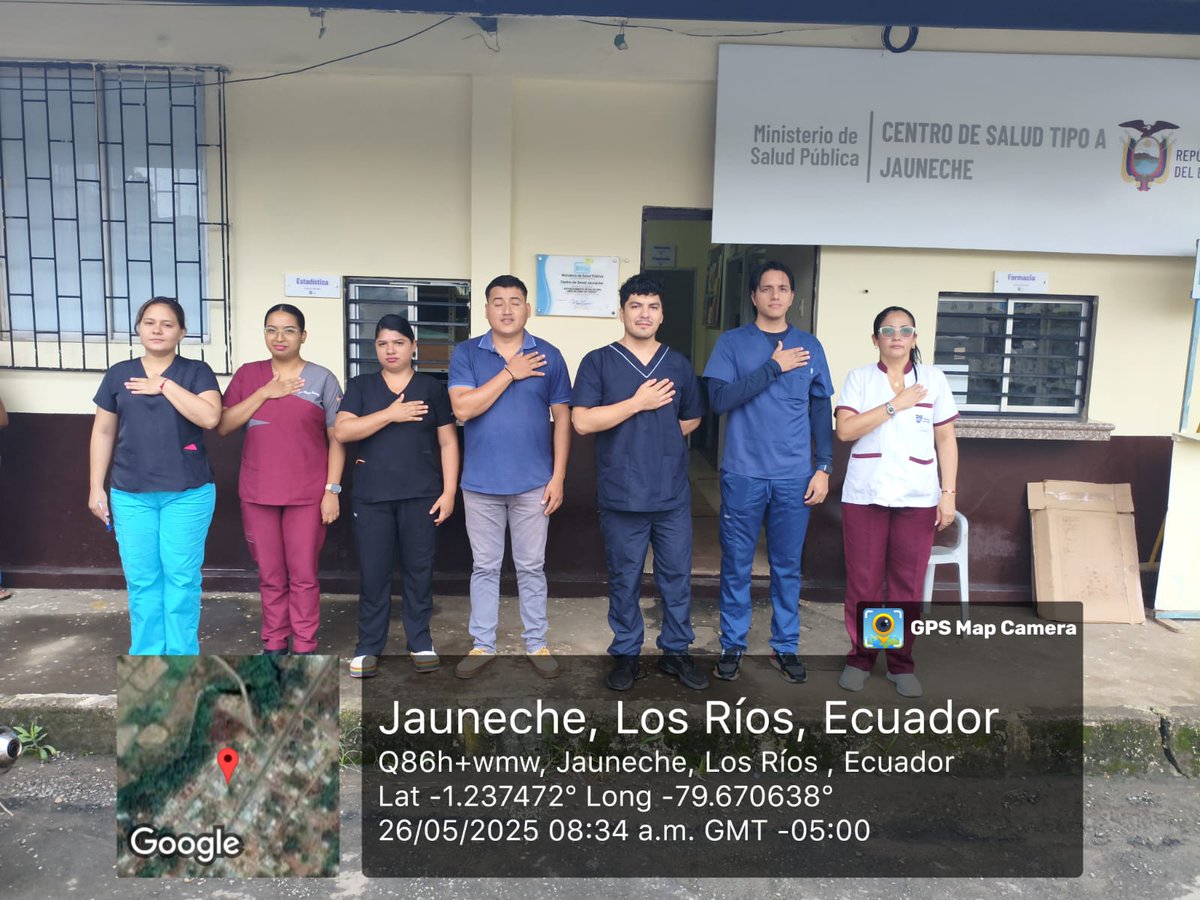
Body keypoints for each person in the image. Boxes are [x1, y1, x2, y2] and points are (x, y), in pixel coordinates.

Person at [572, 273, 708, 692]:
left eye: (652, 306)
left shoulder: (678, 363)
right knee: (624, 577)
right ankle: (627, 653)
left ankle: (675, 652)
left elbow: (692, 418)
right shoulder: (599, 361)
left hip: (670, 494)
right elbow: (582, 421)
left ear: (662, 315)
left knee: (675, 577)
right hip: (621, 493)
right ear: (621, 311)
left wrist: (659, 438)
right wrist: (637, 405)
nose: (644, 313)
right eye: (636, 305)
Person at [702, 260, 834, 683]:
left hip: (794, 474)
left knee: (787, 564)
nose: (775, 295)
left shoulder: (810, 345)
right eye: (766, 289)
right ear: (754, 296)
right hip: (743, 472)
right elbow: (720, 400)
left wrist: (824, 467)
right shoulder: (732, 343)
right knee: (737, 562)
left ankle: (785, 646)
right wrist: (774, 367)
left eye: (782, 288)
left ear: (792, 296)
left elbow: (819, 409)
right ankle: (733, 644)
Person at [448, 275, 571, 679]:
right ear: (485, 309)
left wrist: (559, 478)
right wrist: (510, 373)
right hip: (480, 484)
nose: (506, 309)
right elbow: (463, 411)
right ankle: (483, 643)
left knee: (531, 567)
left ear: (527, 309)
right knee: (484, 567)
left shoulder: (550, 355)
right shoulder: (466, 353)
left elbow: (563, 421)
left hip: (535, 483)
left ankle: (536, 641)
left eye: (514, 301)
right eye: (497, 301)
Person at [834, 306, 959, 698]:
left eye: (905, 330)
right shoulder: (859, 379)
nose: (897, 336)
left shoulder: (934, 380)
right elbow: (846, 431)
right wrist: (895, 405)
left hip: (918, 495)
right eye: (888, 330)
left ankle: (901, 662)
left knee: (906, 585)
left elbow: (945, 440)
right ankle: (861, 657)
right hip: (866, 494)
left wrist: (948, 493)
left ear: (914, 339)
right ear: (876, 340)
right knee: (865, 583)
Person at [88, 297, 222, 655]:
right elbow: (103, 431)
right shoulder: (119, 373)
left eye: (167, 323)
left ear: (182, 331)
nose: (158, 329)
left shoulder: (196, 372)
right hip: (130, 493)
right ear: (138, 328)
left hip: (187, 492)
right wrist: (94, 487)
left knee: (181, 580)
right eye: (149, 322)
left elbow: (210, 417)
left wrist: (163, 385)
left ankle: (181, 664)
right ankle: (147, 662)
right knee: (143, 581)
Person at [333, 315, 459, 678]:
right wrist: (391, 413)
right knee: (374, 574)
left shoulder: (431, 387)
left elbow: (448, 441)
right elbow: (343, 431)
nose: (391, 350)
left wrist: (449, 491)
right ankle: (368, 646)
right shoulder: (361, 386)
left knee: (419, 572)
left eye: (398, 343)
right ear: (375, 348)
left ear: (413, 346)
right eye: (383, 343)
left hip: (422, 495)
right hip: (371, 497)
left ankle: (420, 641)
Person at [219, 304, 345, 656]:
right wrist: (264, 392)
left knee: (303, 575)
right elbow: (225, 425)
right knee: (270, 575)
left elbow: (338, 438)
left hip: (307, 495)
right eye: (271, 329)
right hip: (258, 492)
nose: (279, 337)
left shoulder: (322, 378)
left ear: (303, 336)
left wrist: (331, 490)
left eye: (289, 330)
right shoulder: (248, 375)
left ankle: (305, 646)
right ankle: (274, 644)